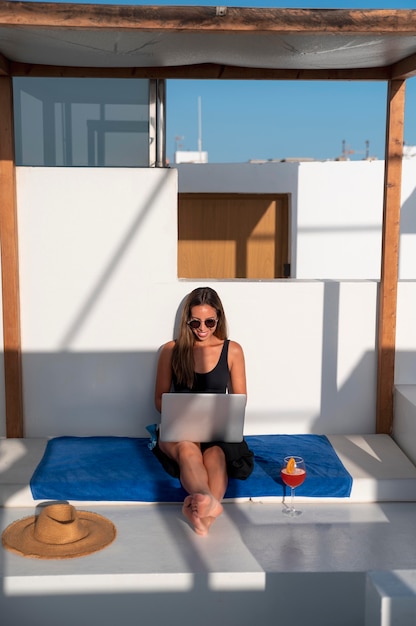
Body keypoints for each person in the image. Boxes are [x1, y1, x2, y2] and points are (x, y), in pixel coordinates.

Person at [154, 286, 253, 536]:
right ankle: (209, 502)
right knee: (188, 449)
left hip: (216, 428)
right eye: (195, 321)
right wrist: (183, 416)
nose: (202, 328)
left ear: (218, 318)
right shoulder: (171, 350)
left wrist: (215, 417)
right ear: (187, 320)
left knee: (216, 456)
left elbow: (240, 399)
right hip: (180, 428)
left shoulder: (233, 350)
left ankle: (204, 518)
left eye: (209, 321)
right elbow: (158, 399)